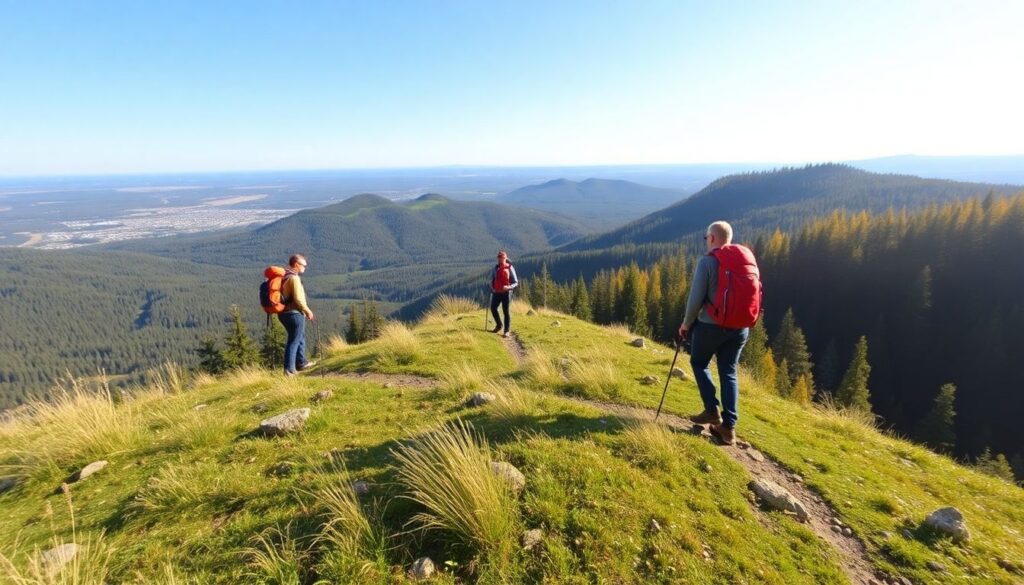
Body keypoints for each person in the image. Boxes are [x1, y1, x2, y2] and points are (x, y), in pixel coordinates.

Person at [678, 221, 752, 445]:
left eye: (706, 237)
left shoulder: (708, 262)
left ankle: (712, 410)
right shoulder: (745, 260)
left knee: (699, 363)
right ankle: (728, 428)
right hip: (740, 328)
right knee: (728, 371)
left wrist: (686, 324)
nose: (706, 241)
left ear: (711, 238)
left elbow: (695, 299)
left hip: (711, 327)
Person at [279, 254, 315, 376]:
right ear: (296, 264)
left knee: (299, 336)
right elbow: (299, 299)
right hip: (294, 314)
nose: (305, 267)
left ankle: (301, 363)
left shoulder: (284, 275)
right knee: (294, 340)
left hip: (283, 313)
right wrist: (308, 311)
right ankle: (289, 370)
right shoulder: (294, 278)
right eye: (303, 265)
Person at [489, 250, 518, 338]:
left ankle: (506, 331)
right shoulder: (495, 268)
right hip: (497, 292)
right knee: (493, 308)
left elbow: (515, 282)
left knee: (506, 311)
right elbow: (492, 279)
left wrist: (508, 287)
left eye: (502, 257)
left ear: (505, 258)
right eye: (499, 257)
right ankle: (499, 325)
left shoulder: (510, 268)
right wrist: (492, 287)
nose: (500, 259)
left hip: (507, 293)